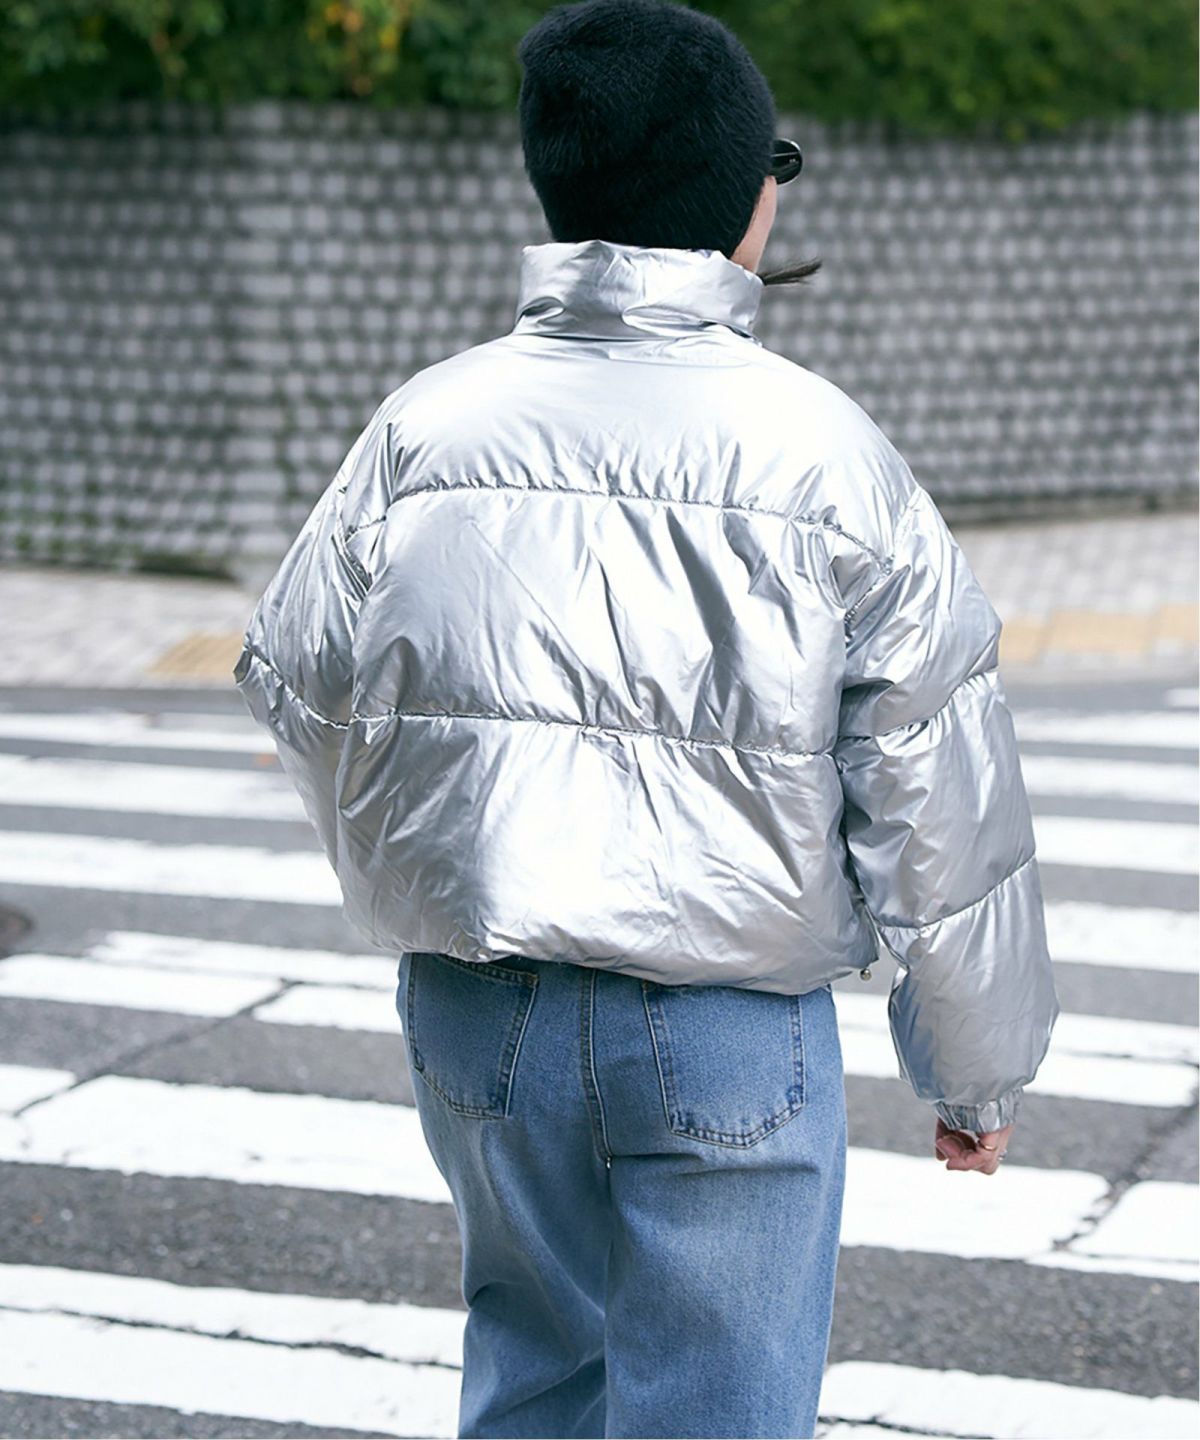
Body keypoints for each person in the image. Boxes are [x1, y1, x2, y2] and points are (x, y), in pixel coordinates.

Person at [232, 1, 1061, 1435]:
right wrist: (975, 1072)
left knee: (534, 1375)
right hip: (725, 1019)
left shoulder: (424, 429)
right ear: (748, 197)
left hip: (479, 1005)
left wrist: (435, 864)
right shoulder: (827, 454)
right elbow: (938, 781)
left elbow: (297, 684)